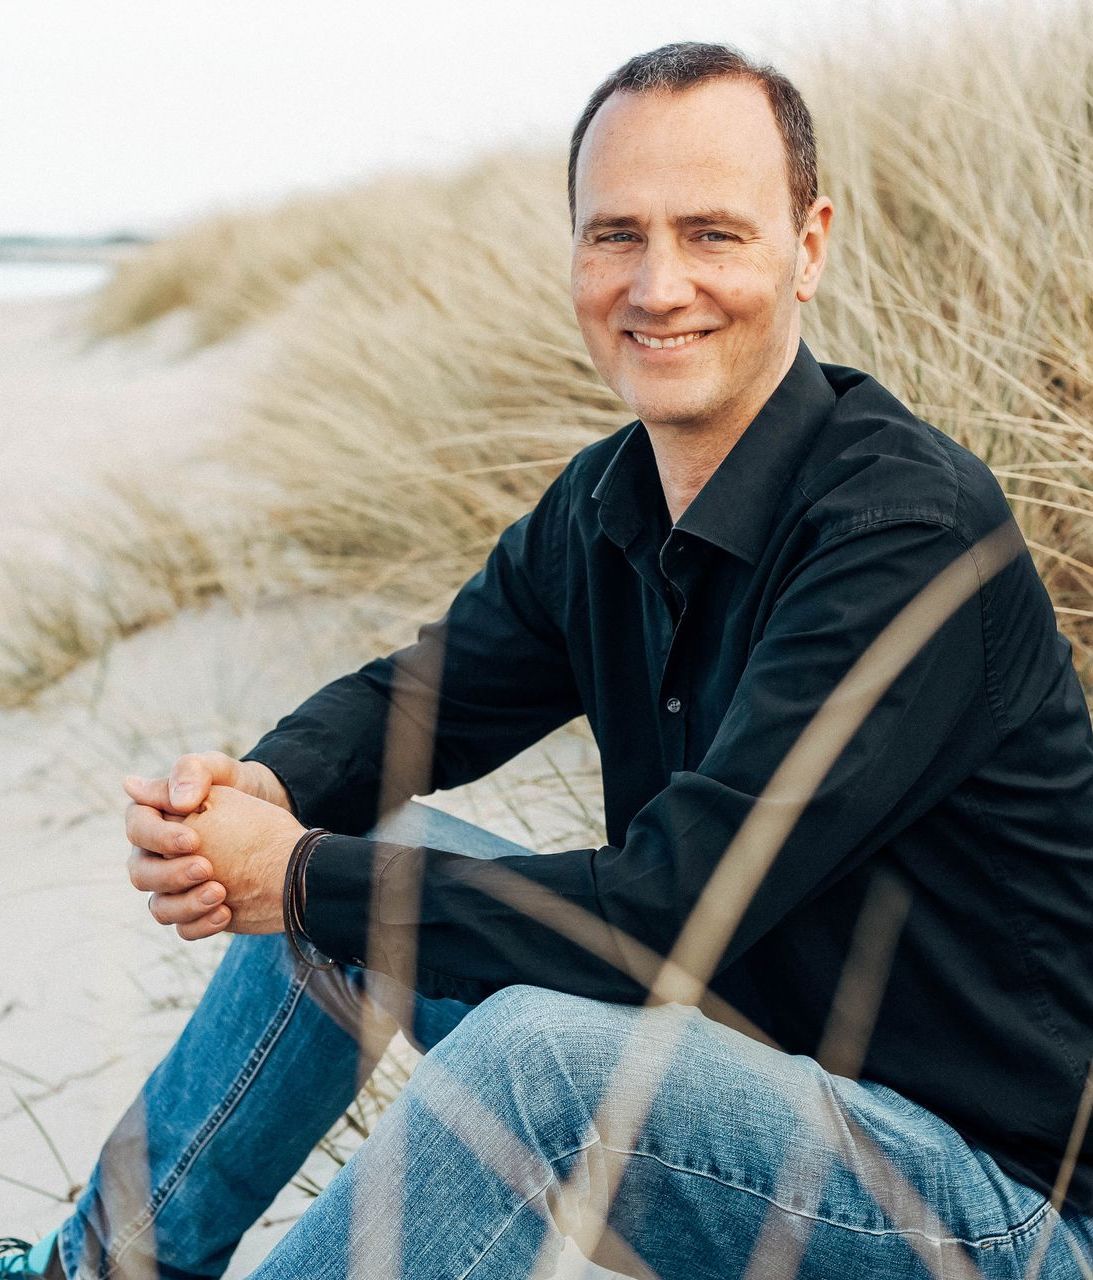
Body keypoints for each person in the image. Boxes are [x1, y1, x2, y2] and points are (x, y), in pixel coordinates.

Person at [4, 40, 1092, 1280]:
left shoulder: (903, 531)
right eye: (616, 234)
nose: (659, 284)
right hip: (752, 1077)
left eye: (713, 233)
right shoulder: (607, 501)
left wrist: (295, 873)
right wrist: (270, 788)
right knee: (356, 868)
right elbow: (422, 699)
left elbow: (670, 910)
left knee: (532, 1059)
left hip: (995, 1205)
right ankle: (99, 1266)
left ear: (809, 246)